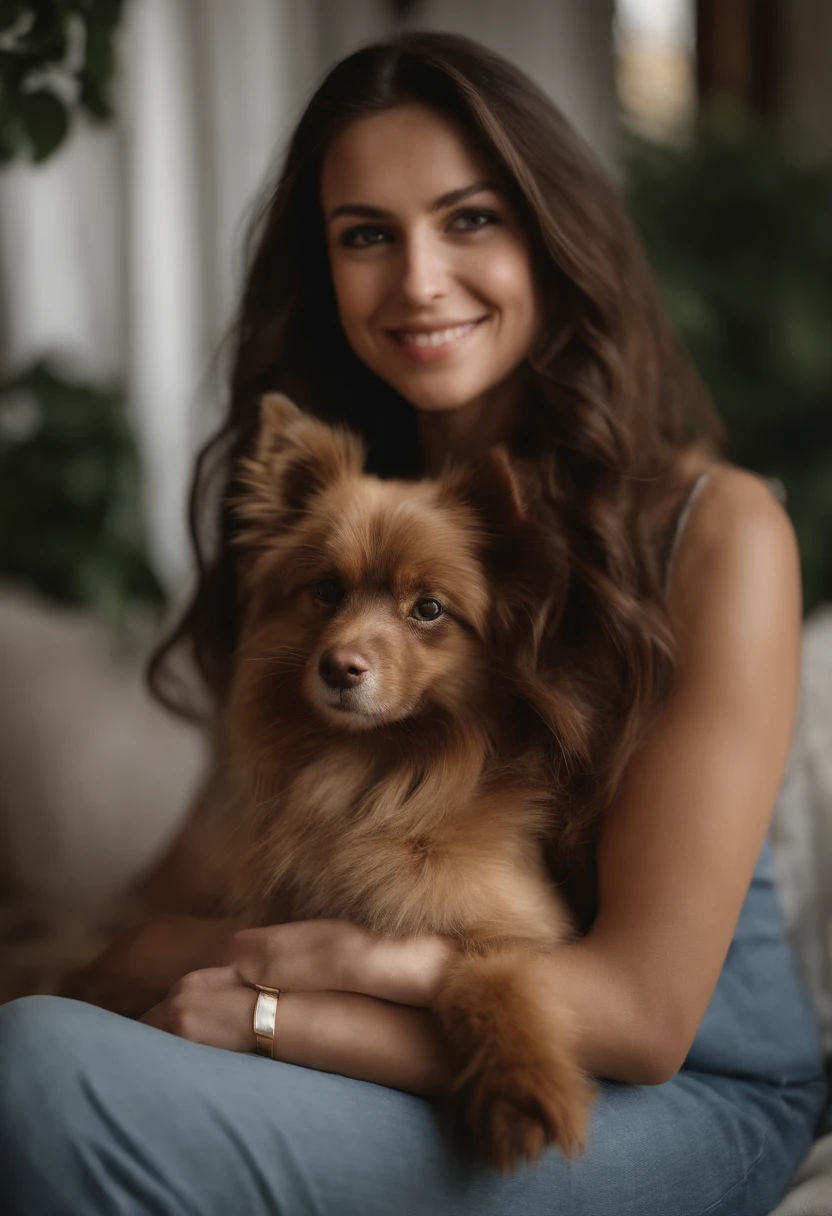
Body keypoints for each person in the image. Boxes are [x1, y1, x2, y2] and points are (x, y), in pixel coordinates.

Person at [0, 30, 826, 1216]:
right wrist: (162, 967)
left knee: (45, 1075)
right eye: (367, 236)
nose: (420, 279)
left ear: (552, 236)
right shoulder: (340, 534)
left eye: (470, 219)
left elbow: (644, 1018)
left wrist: (294, 998)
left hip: (683, 1093)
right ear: (324, 270)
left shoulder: (717, 531)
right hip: (426, 1053)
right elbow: (179, 891)